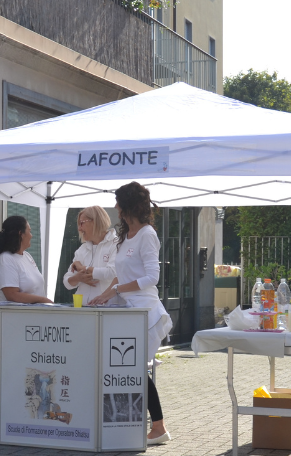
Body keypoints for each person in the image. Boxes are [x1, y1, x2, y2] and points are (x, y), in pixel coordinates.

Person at [89, 182, 173, 445]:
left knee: (135, 369)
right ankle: (132, 424)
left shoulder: (147, 234)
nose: (114, 207)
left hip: (147, 314)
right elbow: (120, 275)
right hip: (129, 313)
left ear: (127, 206)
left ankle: (158, 428)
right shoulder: (125, 236)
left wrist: (117, 290)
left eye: (117, 202)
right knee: (129, 368)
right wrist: (106, 294)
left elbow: (152, 277)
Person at [0, 215, 53, 304]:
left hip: (34, 315)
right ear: (21, 234)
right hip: (17, 316)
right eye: (29, 231)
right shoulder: (5, 260)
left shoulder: (27, 256)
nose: (31, 236)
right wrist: (43, 300)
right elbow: (12, 295)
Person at [62, 206, 118, 304]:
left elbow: (112, 273)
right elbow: (67, 282)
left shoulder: (116, 244)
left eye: (82, 223)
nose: (79, 228)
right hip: (82, 309)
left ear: (95, 221)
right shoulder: (82, 249)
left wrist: (84, 268)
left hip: (107, 309)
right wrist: (78, 278)